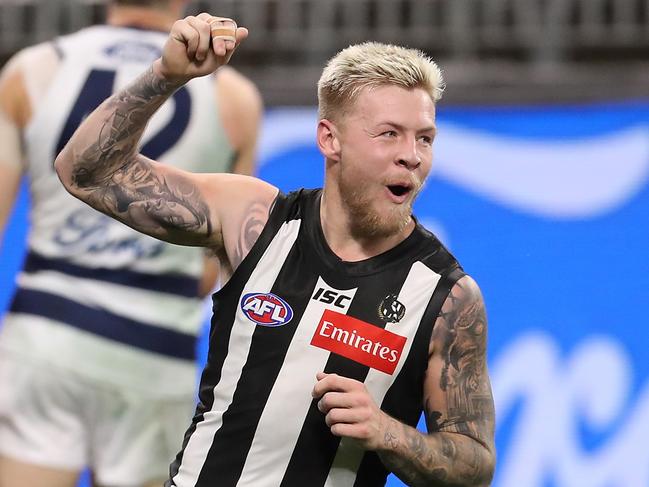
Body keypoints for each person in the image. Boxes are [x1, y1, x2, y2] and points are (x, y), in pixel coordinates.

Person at [53, 12, 496, 487]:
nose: (412, 155)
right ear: (330, 139)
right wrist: (167, 76)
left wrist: (389, 434)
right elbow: (86, 173)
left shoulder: (447, 296)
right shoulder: (255, 221)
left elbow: (475, 463)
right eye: (389, 133)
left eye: (424, 138)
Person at [0, 1, 262, 486]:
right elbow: (220, 263)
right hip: (154, 349)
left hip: (43, 336)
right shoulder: (235, 98)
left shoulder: (31, 70)